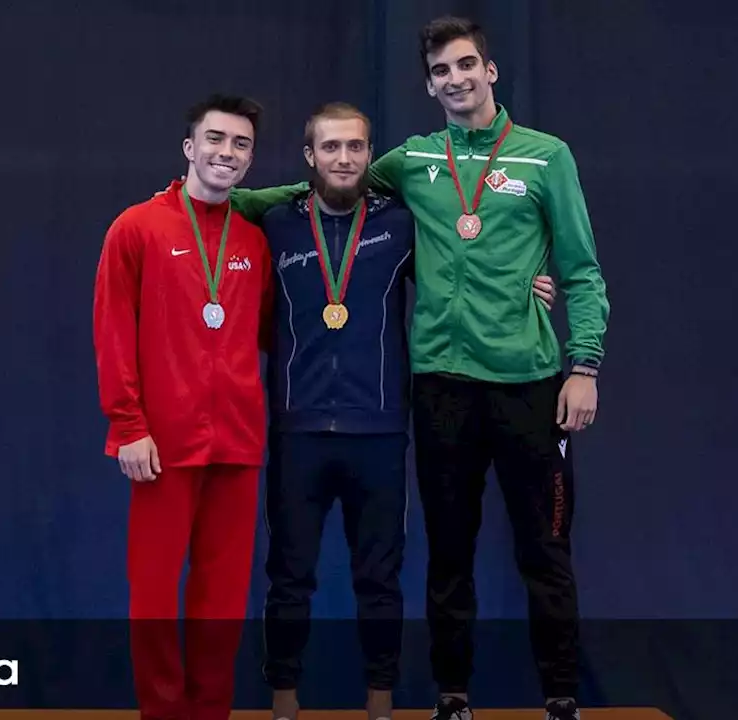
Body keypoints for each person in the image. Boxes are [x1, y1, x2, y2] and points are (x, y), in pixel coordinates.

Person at [231, 16, 609, 720]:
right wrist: (222, 198)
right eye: (441, 72)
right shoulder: (413, 160)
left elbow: (582, 272)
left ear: (490, 71)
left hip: (530, 383)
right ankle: (452, 697)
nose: (456, 79)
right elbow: (327, 194)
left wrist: (582, 364)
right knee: (448, 553)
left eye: (467, 65)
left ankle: (562, 697)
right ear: (429, 85)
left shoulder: (545, 157)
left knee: (545, 552)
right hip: (441, 387)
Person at [92, 93, 274, 720]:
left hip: (239, 443)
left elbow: (276, 330)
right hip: (162, 445)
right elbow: (113, 331)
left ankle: (210, 711)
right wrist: (129, 425)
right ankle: (163, 712)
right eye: (216, 139)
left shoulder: (254, 240)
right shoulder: (137, 228)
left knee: (223, 596)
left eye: (242, 144)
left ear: (251, 159)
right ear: (189, 147)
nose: (228, 152)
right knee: (152, 592)